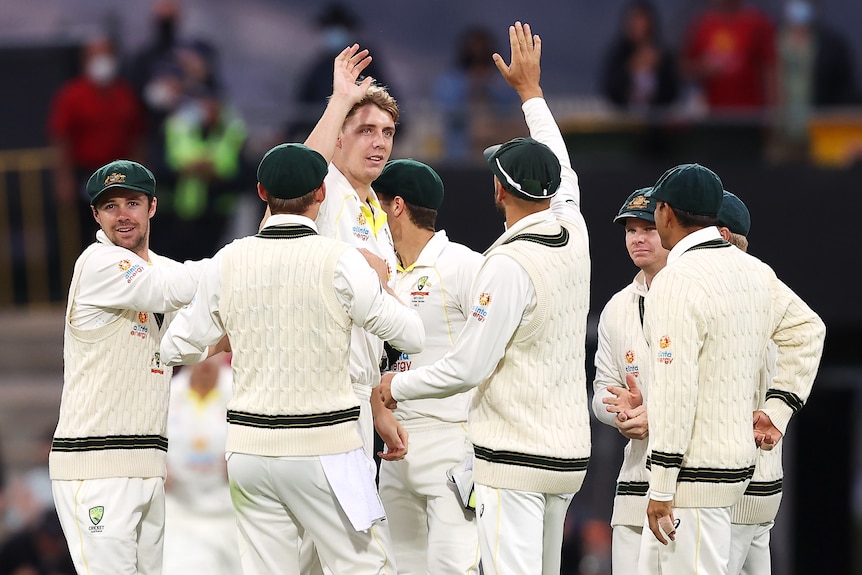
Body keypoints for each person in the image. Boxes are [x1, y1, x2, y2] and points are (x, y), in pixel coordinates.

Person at [379, 22, 591, 575]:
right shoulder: (575, 231)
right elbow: (562, 167)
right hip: (567, 455)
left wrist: (396, 385)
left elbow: (471, 364)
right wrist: (531, 93)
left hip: (514, 456)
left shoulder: (506, 264)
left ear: (498, 189)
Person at [159, 142, 426, 574]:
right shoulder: (341, 260)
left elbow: (175, 347)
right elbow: (412, 335)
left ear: (262, 193)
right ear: (321, 193)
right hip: (327, 452)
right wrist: (382, 284)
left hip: (249, 456)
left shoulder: (229, 259)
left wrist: (231, 338)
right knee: (370, 567)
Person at [637, 164, 825, 573]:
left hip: (692, 478)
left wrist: (662, 485)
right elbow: (809, 329)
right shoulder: (754, 271)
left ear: (666, 213)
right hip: (736, 473)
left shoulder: (677, 280)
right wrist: (779, 411)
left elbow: (674, 389)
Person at [48, 159, 216, 574]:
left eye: (132, 203)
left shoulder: (159, 271)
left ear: (152, 207)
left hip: (147, 466)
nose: (122, 215)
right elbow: (176, 287)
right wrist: (242, 258)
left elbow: (196, 342)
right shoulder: (98, 264)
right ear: (96, 216)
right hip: (97, 465)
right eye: (110, 207)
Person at [372, 159, 483, 574]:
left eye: (377, 204)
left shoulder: (463, 265)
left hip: (452, 439)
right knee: (401, 568)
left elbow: (494, 348)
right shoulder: (378, 273)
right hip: (394, 445)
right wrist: (379, 409)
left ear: (396, 206)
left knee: (455, 567)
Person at [591, 186, 669, 575]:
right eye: (629, 230)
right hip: (635, 482)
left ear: (670, 228)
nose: (637, 238)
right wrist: (619, 414)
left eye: (648, 228)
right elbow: (601, 388)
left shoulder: (696, 294)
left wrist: (656, 415)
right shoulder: (617, 307)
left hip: (691, 483)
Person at [48, 35, 146, 254]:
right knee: (85, 235)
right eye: (95, 55)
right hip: (85, 174)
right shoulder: (72, 95)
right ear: (85, 60)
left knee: (123, 232)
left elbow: (136, 137)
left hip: (121, 176)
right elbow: (61, 138)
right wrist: (63, 179)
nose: (102, 60)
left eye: (106, 54)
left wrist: (140, 178)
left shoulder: (124, 94)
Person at [162, 352, 240, 575]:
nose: (207, 360)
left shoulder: (241, 391)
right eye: (202, 352)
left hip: (231, 511)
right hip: (181, 511)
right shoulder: (167, 393)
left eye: (214, 353)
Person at [152, 82, 249, 262]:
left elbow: (243, 177)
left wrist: (216, 175)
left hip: (214, 214)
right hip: (174, 212)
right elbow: (159, 168)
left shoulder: (234, 132)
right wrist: (183, 170)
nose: (208, 109)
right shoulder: (176, 127)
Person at [286, 2, 395, 142]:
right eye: (330, 29)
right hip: (325, 136)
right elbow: (303, 107)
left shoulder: (365, 62)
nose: (333, 34)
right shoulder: (319, 67)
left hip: (360, 135)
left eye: (337, 28)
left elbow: (385, 99)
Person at [433, 25, 522, 161]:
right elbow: (448, 109)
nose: (478, 52)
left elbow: (512, 106)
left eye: (482, 49)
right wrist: (472, 85)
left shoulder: (502, 82)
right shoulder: (450, 81)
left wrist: (487, 86)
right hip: (461, 155)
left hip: (499, 150)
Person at [681, 0, 777, 112]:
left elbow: (770, 68)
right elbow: (685, 68)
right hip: (713, 113)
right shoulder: (701, 24)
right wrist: (703, 68)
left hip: (751, 113)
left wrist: (773, 110)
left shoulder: (758, 22)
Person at [601, 0, 679, 112]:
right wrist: (631, 67)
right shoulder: (619, 54)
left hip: (655, 120)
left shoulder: (662, 53)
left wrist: (657, 67)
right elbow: (611, 90)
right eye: (634, 21)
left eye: (642, 21)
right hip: (625, 119)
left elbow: (672, 92)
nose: (639, 27)